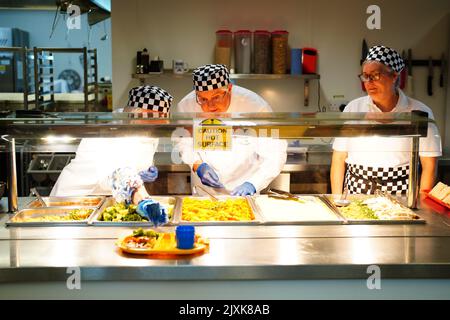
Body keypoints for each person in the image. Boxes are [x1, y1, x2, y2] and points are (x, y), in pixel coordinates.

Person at [330, 46, 442, 195]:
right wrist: (337, 199)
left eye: (375, 75)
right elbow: (338, 159)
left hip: (402, 191)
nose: (368, 82)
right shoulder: (353, 108)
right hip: (356, 189)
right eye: (365, 76)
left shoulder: (419, 112)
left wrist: (421, 204)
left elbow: (429, 166)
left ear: (394, 76)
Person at [50, 85, 174, 204]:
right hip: (75, 198)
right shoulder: (107, 133)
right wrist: (140, 198)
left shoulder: (148, 130)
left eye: (165, 117)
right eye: (158, 117)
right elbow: (108, 179)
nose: (164, 123)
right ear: (136, 114)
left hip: (111, 198)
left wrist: (143, 171)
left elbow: (134, 165)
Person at [176, 64, 287, 196]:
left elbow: (275, 154)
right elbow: (183, 143)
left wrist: (253, 183)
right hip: (204, 193)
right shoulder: (186, 106)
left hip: (244, 191)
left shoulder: (256, 107)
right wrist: (197, 165)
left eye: (216, 97)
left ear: (229, 89)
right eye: (203, 99)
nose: (210, 106)